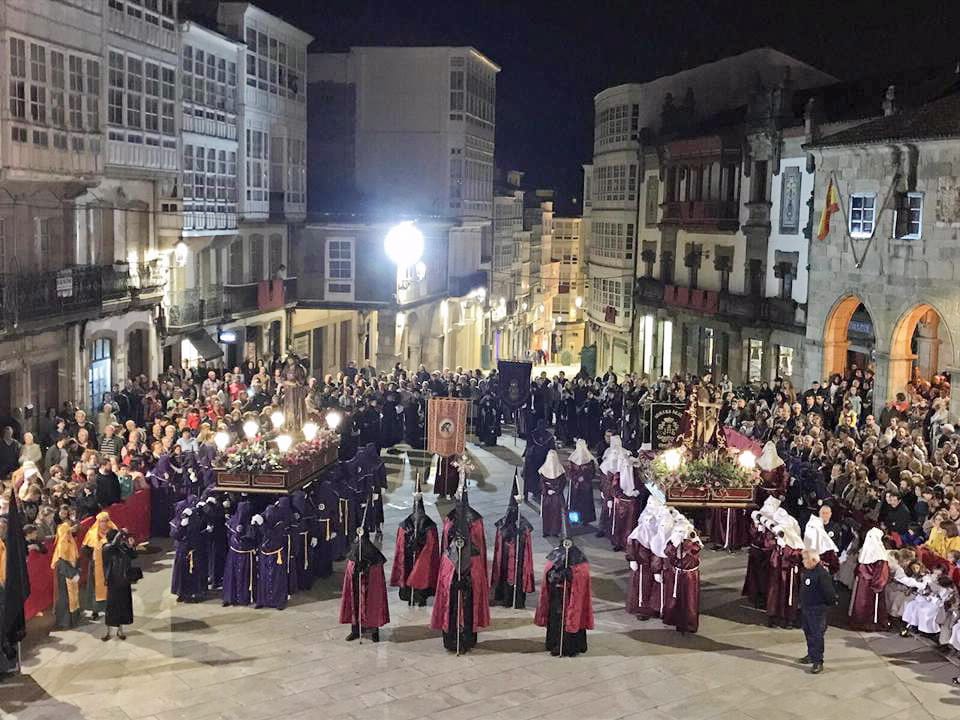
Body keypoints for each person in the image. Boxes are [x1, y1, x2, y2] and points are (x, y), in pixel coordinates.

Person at [431, 488, 490, 653]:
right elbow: (445, 544)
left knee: (469, 604)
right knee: (450, 605)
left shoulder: (476, 521)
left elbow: (478, 545)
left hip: (471, 564)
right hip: (451, 563)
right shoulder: (450, 519)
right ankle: (451, 639)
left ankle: (467, 639)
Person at [534, 532, 594, 657]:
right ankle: (555, 643)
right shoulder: (556, 555)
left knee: (571, 620)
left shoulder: (580, 560)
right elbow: (548, 573)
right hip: (557, 596)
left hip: (570, 598)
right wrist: (555, 575)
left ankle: (570, 647)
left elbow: (582, 579)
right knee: (556, 620)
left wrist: (571, 575)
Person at [390, 488, 440, 606]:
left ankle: (419, 596)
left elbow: (431, 548)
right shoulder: (406, 525)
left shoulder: (428, 526)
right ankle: (412, 595)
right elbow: (400, 546)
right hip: (409, 555)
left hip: (421, 557)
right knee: (410, 569)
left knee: (421, 571)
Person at [489, 480, 535, 608]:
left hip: (518, 560)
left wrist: (519, 535)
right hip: (505, 558)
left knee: (517, 577)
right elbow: (500, 541)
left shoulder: (524, 526)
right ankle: (504, 597)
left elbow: (526, 547)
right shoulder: (502, 524)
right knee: (505, 575)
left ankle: (517, 600)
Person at [339, 528, 389, 642]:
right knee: (355, 603)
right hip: (356, 584)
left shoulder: (374, 553)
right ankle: (355, 630)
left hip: (370, 586)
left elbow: (376, 572)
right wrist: (357, 568)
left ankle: (374, 631)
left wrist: (366, 568)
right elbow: (350, 568)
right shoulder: (355, 549)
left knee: (372, 604)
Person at [799, 548, 837, 675]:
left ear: (814, 560)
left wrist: (827, 605)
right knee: (808, 632)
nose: (803, 561)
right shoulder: (807, 571)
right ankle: (811, 654)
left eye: (805, 559)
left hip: (817, 609)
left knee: (817, 635)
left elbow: (829, 593)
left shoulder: (821, 574)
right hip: (806, 608)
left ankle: (818, 661)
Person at [849, 527, 891, 632]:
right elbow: (881, 572)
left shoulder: (865, 551)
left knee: (861, 603)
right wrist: (878, 585)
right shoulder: (880, 554)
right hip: (872, 584)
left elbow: (859, 567)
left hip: (863, 582)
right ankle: (871, 623)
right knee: (871, 605)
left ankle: (859, 621)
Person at [101, 528, 138, 641]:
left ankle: (120, 631)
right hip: (113, 582)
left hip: (124, 581)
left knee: (123, 606)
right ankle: (108, 631)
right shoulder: (106, 548)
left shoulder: (123, 547)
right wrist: (121, 532)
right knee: (111, 607)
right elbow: (113, 546)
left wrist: (132, 546)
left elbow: (133, 555)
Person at [81, 511, 117, 619]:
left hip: (108, 565)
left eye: (106, 521)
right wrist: (93, 556)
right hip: (95, 565)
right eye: (101, 521)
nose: (104, 524)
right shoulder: (92, 533)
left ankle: (109, 608)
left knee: (109, 587)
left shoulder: (113, 532)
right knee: (94, 587)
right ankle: (95, 610)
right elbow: (84, 548)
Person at [50, 522, 81, 629]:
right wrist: (72, 574)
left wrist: (76, 570)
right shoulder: (61, 545)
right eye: (67, 532)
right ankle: (65, 622)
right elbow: (61, 562)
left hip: (71, 574)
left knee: (73, 597)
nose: (69, 534)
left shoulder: (70, 542)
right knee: (65, 599)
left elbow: (75, 557)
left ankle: (74, 620)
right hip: (65, 576)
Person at [566, 439, 597, 525]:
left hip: (585, 486)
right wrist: (576, 478)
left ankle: (585, 519)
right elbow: (570, 472)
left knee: (585, 503)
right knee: (574, 503)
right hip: (575, 485)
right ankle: (574, 520)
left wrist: (584, 477)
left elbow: (592, 472)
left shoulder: (589, 460)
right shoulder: (572, 459)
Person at [538, 450, 567, 537]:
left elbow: (563, 482)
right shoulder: (543, 470)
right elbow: (541, 483)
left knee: (556, 514)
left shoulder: (560, 470)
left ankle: (555, 531)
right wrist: (546, 490)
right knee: (547, 513)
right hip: (547, 496)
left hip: (556, 496)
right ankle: (546, 531)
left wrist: (555, 490)